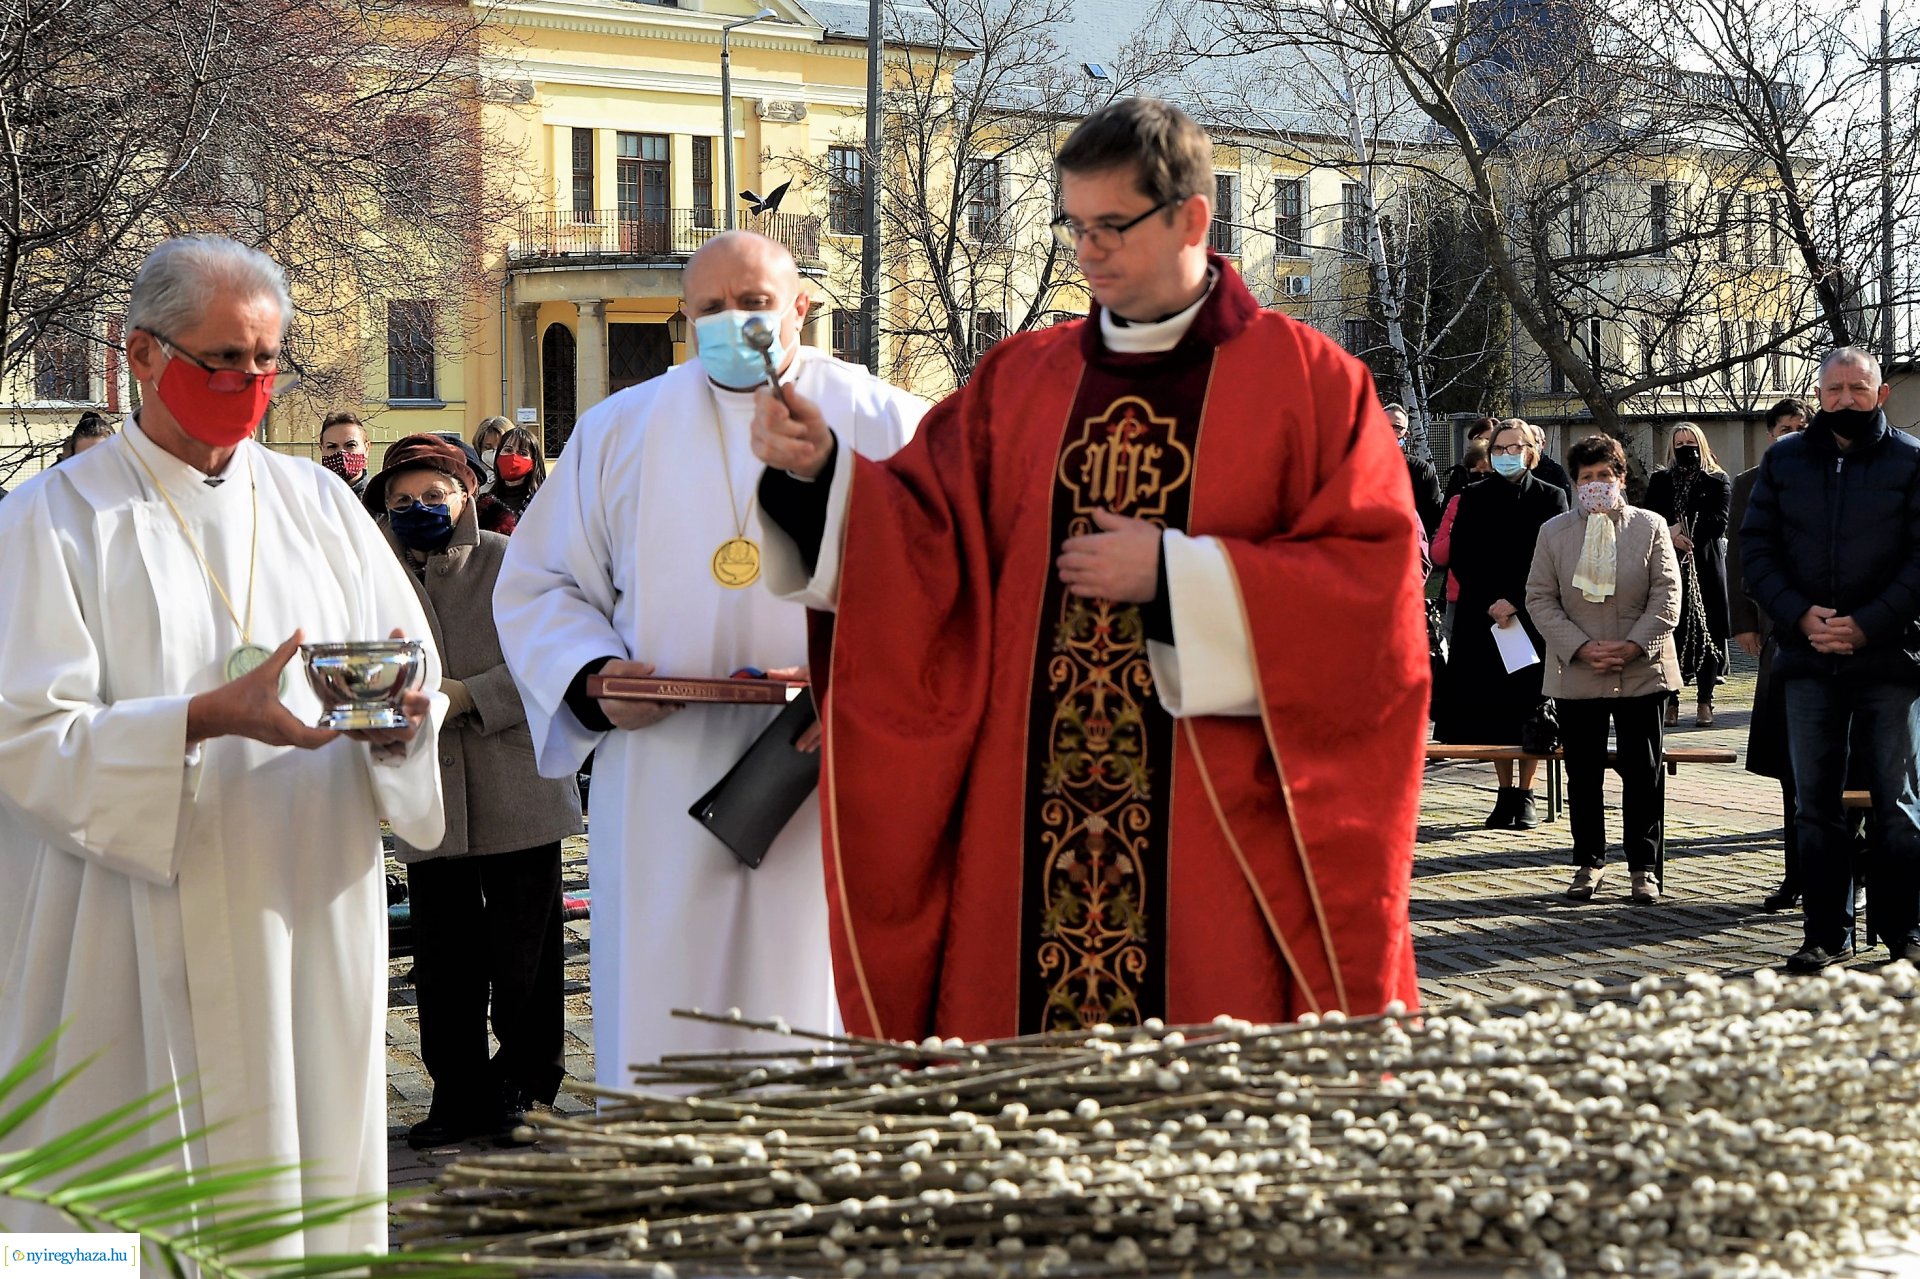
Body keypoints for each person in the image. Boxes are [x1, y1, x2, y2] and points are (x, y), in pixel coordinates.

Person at [749, 97, 1429, 1039]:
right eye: (1075, 226)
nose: (1089, 251)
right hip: (1023, 822)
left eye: (1112, 225)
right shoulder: (1021, 381)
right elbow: (923, 537)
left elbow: (1373, 606)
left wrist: (1178, 575)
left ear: (1192, 218)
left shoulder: (1309, 385)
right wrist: (823, 476)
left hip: (1211, 827)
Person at [0, 235, 442, 1256]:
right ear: (143, 355)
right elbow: (25, 737)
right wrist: (198, 719)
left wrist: (403, 721)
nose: (247, 383)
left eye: (264, 360)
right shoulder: (50, 522)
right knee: (102, 1201)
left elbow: (403, 664)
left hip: (298, 896)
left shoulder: (322, 505)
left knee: (299, 1191)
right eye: (221, 359)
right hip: (114, 922)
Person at [493, 229, 923, 1086]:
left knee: (809, 1012)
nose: (735, 324)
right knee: (666, 1006)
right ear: (687, 320)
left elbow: (943, 575)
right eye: (713, 310)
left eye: (755, 304)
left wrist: (862, 696)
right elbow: (539, 582)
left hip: (824, 771)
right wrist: (590, 678)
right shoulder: (621, 427)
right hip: (662, 770)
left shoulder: (882, 418)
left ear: (802, 306)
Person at [365, 435, 582, 1148]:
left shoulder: (507, 559)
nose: (418, 509)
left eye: (433, 495)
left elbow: (551, 656)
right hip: (429, 793)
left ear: (465, 494)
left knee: (528, 952)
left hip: (515, 782)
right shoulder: (377, 573)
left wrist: (471, 695)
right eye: (402, 500)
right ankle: (454, 1091)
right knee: (443, 955)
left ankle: (524, 1084)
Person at [1741, 347, 1920, 973]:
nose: (1846, 399)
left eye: (1858, 388)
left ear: (1881, 393)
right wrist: (1800, 615)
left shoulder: (1911, 461)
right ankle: (1826, 933)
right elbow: (1756, 550)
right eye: (1835, 389)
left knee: (1897, 806)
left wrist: (1867, 625)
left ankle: (1904, 932)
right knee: (1813, 806)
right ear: (1818, 394)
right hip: (1808, 660)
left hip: (1890, 659)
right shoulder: (1784, 460)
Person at [1526, 434, 1681, 903]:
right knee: (1584, 774)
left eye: (1604, 476)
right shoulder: (1554, 532)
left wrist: (1635, 645)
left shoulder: (1650, 526)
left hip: (1643, 670)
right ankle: (1587, 863)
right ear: (1575, 483)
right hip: (1578, 672)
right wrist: (1582, 647)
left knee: (1644, 772)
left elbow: (1667, 595)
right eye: (1586, 477)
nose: (1596, 484)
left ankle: (1643, 868)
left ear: (1621, 479)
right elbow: (1540, 598)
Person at [1435, 419, 1569, 828]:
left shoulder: (1551, 497)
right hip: (1484, 614)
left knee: (1528, 705)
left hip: (1531, 613)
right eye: (1499, 447)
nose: (1507, 455)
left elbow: (1552, 557)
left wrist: (1515, 599)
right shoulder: (1473, 496)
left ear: (1531, 452)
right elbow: (1462, 554)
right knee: (1490, 705)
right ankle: (1504, 791)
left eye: (1515, 447)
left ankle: (1527, 792)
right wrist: (1492, 601)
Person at [1730, 398, 1811, 910]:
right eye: (1785, 429)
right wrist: (1742, 623)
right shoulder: (1749, 483)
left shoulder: (1833, 475)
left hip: (1834, 639)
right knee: (1789, 764)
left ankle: (1855, 870)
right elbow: (1740, 556)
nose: (1793, 435)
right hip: (1776, 636)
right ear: (1769, 435)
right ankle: (1796, 873)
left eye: (1802, 428)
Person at [1646, 422, 1732, 727]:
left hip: (1704, 561)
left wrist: (1688, 532)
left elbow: (1719, 520)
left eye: (1691, 442)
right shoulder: (1660, 480)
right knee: (1673, 631)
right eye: (1680, 443)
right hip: (1669, 563)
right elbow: (1651, 516)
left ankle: (1705, 700)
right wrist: (1671, 533)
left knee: (1708, 632)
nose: (1686, 449)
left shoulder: (1717, 479)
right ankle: (1672, 699)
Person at [1433, 438, 1492, 644]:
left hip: (1495, 601)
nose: (1480, 480)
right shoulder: (1457, 502)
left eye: (1487, 474)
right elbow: (1438, 555)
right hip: (1457, 598)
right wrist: (1458, 532)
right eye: (1475, 474)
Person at [1387, 402, 1444, 534]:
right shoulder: (1359, 470)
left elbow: (1433, 518)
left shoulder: (1421, 471)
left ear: (1406, 435)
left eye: (1396, 428)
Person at [483, 425, 550, 520]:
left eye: (522, 453)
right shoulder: (485, 503)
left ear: (533, 463)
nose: (513, 457)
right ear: (498, 456)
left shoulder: (545, 503)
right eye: (508, 450)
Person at [319, 409, 372, 500]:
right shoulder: (310, 502)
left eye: (350, 445)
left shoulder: (381, 503)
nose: (341, 453)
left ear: (366, 449)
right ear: (322, 450)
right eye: (332, 446)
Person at [1443, 415, 1498, 503]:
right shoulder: (1460, 473)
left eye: (1488, 440)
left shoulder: (1501, 472)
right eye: (1479, 439)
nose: (1483, 443)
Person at [1519, 419, 1575, 499]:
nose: (1531, 446)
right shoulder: (1516, 468)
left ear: (1543, 444)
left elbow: (1564, 500)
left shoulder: (1555, 471)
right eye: (1527, 441)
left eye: (1535, 441)